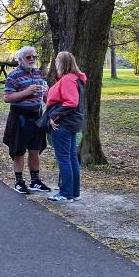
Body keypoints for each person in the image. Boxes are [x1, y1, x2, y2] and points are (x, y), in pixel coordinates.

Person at [2, 46, 51, 194]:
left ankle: (35, 181)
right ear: (21, 59)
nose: (32, 60)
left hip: (37, 116)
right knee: (19, 151)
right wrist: (27, 91)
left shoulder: (38, 73)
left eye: (34, 57)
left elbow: (43, 95)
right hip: (19, 116)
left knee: (35, 149)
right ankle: (19, 181)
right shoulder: (13, 75)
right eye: (29, 57)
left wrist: (47, 95)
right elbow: (7, 97)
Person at [43, 51, 87, 203]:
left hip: (64, 124)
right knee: (71, 157)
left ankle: (66, 193)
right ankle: (74, 191)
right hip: (72, 123)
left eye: (57, 61)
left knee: (64, 158)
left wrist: (54, 116)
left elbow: (71, 102)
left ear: (62, 63)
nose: (55, 64)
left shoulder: (68, 79)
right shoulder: (75, 78)